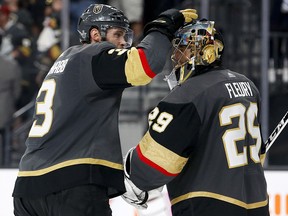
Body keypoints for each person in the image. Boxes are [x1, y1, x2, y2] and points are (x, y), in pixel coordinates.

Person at [12, 3, 198, 216]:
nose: (122, 42)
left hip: (27, 186)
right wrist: (162, 26)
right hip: (72, 183)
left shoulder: (64, 61)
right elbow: (146, 64)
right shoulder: (93, 55)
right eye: (117, 34)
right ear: (95, 34)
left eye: (125, 36)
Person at [123, 20, 270, 216]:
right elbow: (258, 155)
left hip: (207, 205)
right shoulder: (248, 86)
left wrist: (133, 176)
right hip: (258, 203)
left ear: (203, 51)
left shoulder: (187, 95)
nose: (175, 57)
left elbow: (151, 166)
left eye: (181, 49)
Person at [0, 33, 22, 166]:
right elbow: (17, 92)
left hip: (5, 112)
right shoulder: (11, 66)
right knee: (5, 144)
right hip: (5, 110)